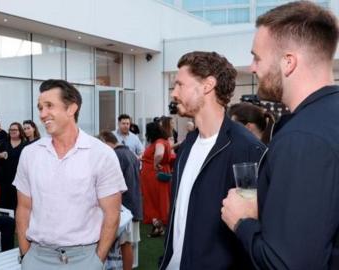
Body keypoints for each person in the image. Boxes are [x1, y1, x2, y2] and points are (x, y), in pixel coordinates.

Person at [221, 2, 339, 269]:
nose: (252, 67)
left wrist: (242, 222)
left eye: (257, 57)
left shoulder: (303, 138)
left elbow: (287, 264)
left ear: (288, 62)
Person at [159, 51, 266, 270]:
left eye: (180, 85)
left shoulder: (248, 149)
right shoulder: (188, 144)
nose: (174, 93)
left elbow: (257, 232)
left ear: (207, 85)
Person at [13, 79, 127, 269]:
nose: (42, 114)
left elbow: (112, 214)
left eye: (49, 106)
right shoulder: (30, 153)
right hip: (36, 257)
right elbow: (24, 208)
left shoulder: (101, 154)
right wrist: (26, 255)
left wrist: (96, 260)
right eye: (40, 107)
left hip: (84, 259)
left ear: (71, 108)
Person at [98, 130, 143, 270]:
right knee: (128, 244)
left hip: (121, 206)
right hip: (131, 204)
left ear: (105, 142)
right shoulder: (130, 153)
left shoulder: (115, 155)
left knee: (122, 245)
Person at [141, 121, 173, 238]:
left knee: (152, 200)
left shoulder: (159, 142)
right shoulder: (165, 141)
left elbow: (159, 154)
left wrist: (155, 164)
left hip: (153, 175)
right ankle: (158, 226)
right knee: (160, 199)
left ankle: (158, 225)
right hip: (161, 172)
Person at [0, 122, 28, 210]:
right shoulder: (3, 143)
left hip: (19, 177)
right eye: (10, 130)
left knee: (17, 200)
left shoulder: (25, 144)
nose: (12, 131)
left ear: (20, 131)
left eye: (15, 129)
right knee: (4, 201)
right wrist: (0, 155)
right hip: (5, 176)